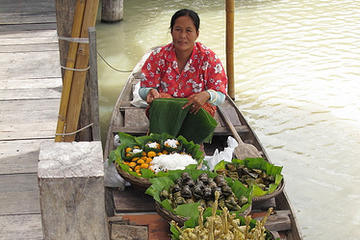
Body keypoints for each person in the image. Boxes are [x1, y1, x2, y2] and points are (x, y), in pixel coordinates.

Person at [139, 9, 228, 117]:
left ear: (197, 34)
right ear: (171, 31)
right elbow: (143, 89)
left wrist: (207, 94)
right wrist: (150, 92)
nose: (182, 36)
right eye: (178, 29)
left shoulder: (209, 58)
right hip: (166, 112)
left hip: (196, 112)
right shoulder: (158, 56)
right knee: (160, 100)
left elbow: (221, 95)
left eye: (188, 30)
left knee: (204, 107)